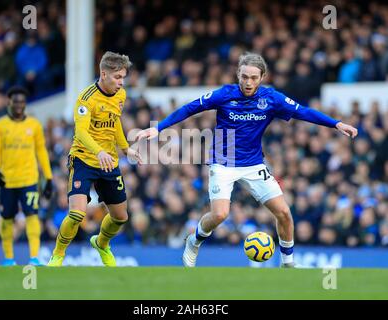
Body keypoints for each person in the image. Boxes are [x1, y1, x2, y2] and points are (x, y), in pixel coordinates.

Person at [136, 52, 358, 267]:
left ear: (262, 77)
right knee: (220, 214)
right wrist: (158, 128)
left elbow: (304, 112)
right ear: (237, 75)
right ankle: (193, 241)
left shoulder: (272, 98)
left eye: (253, 77)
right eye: (244, 77)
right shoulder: (225, 94)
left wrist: (336, 124)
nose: (248, 82)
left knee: (284, 213)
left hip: (253, 165)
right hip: (223, 163)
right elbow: (190, 108)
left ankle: (288, 263)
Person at [47, 52, 142, 267]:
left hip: (108, 162)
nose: (121, 82)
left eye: (123, 77)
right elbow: (80, 132)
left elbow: (114, 122)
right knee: (77, 214)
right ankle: (58, 254)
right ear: (103, 73)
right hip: (84, 159)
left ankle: (101, 243)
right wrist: (98, 151)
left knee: (120, 217)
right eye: (117, 77)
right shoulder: (86, 98)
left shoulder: (121, 95)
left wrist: (126, 148)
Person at [0, 86, 53, 266]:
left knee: (32, 215)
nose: (18, 105)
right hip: (7, 181)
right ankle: (8, 259)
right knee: (6, 219)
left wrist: (48, 178)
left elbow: (41, 152)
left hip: (29, 180)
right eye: (15, 101)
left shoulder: (34, 125)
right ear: (9, 102)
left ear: (25, 104)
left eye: (22, 102)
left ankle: (34, 257)